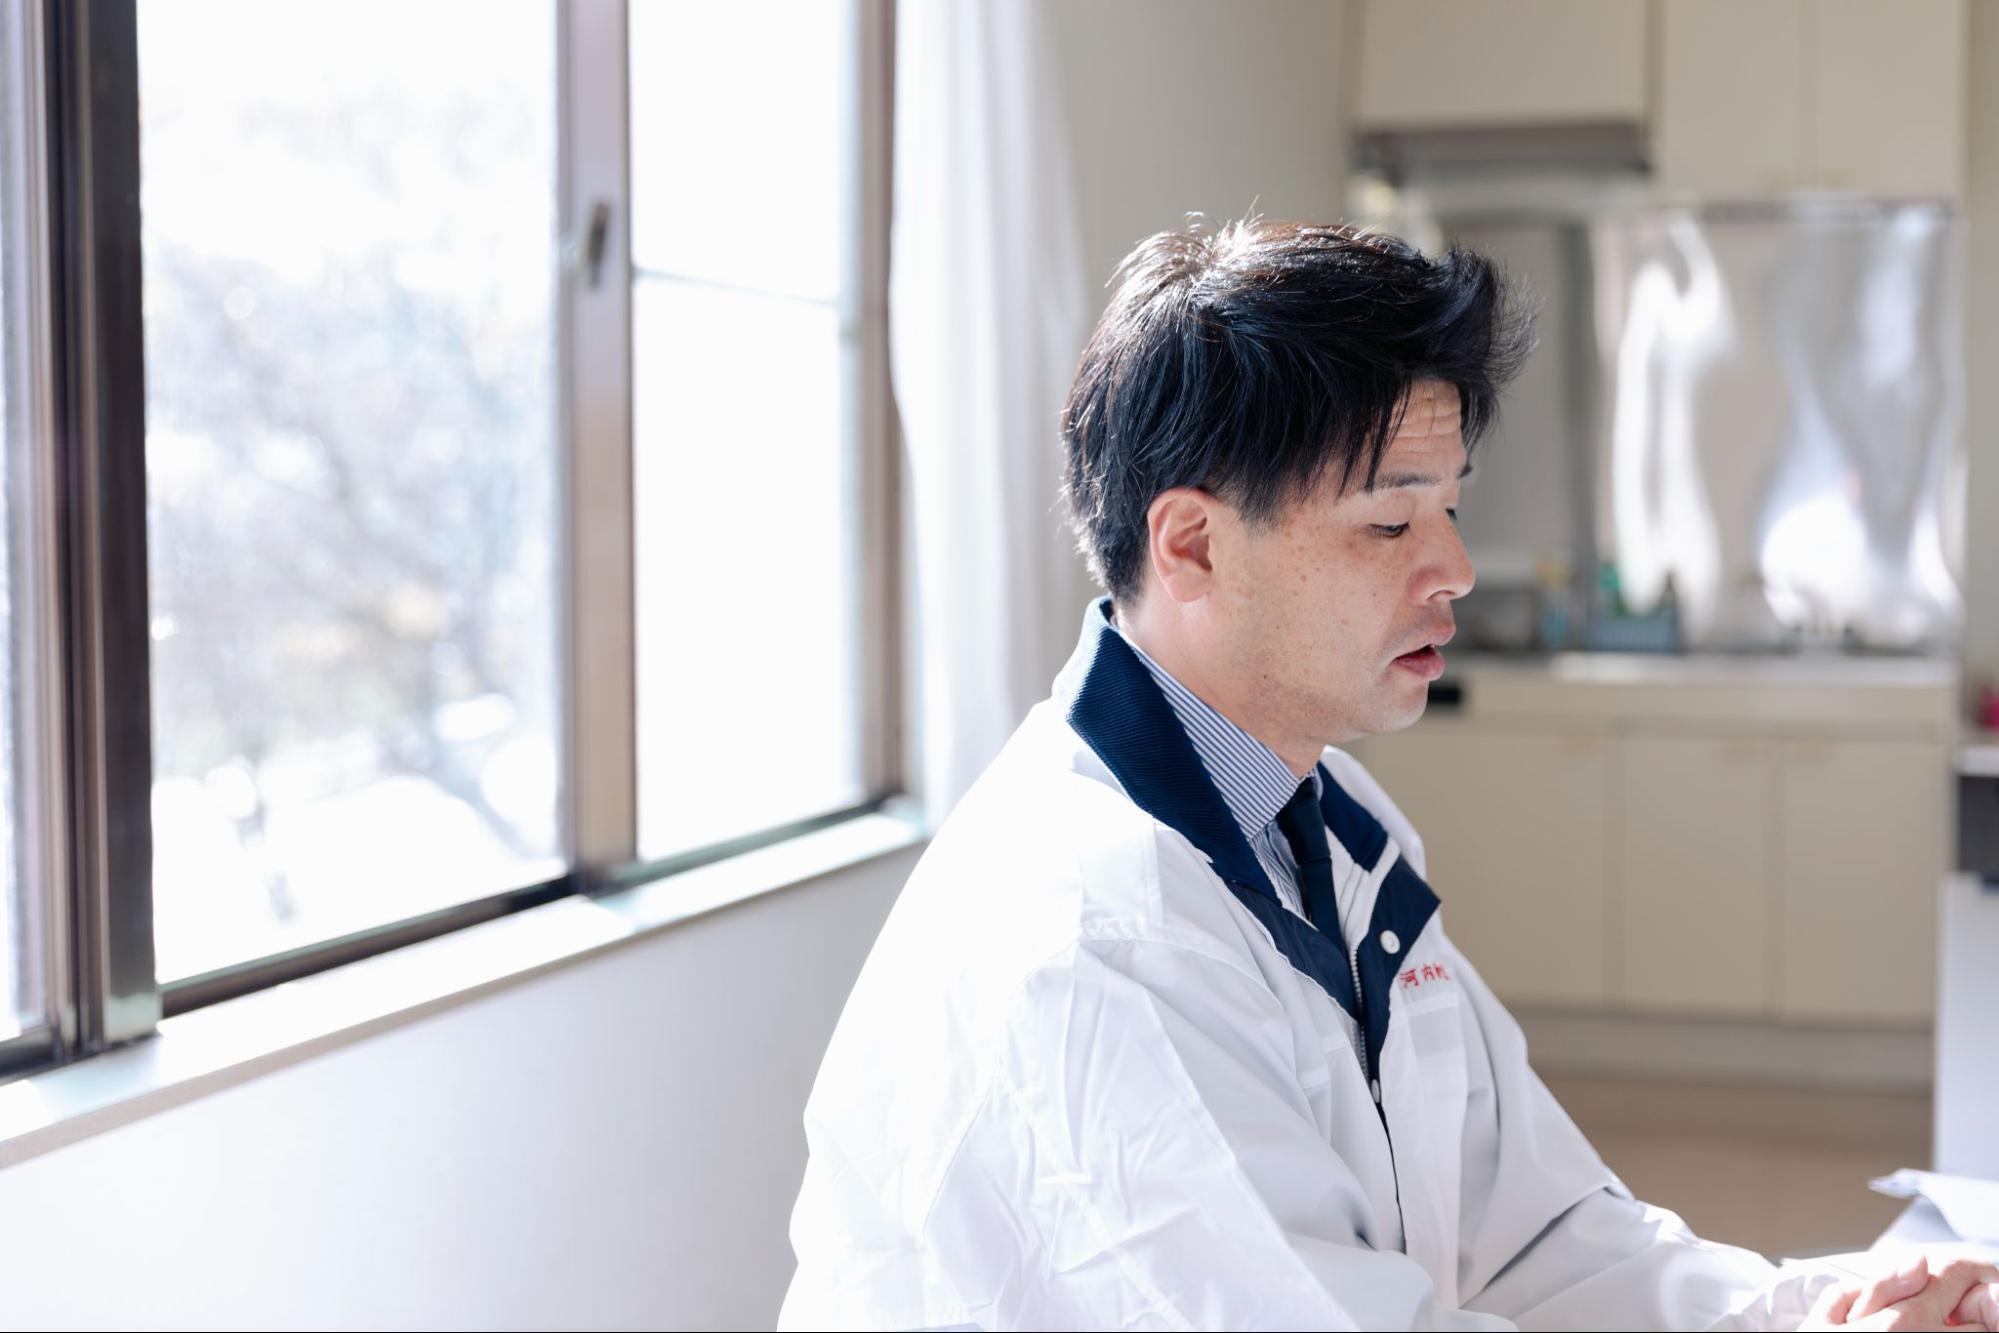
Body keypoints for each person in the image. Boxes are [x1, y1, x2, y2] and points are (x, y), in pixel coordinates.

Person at [777, 219, 1998, 1331]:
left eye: (1450, 508)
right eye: (1388, 522)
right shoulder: (1097, 939)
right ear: (1192, 544)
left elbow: (1534, 1235)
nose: (1454, 566)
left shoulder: (1329, 819)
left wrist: (1811, 1313)